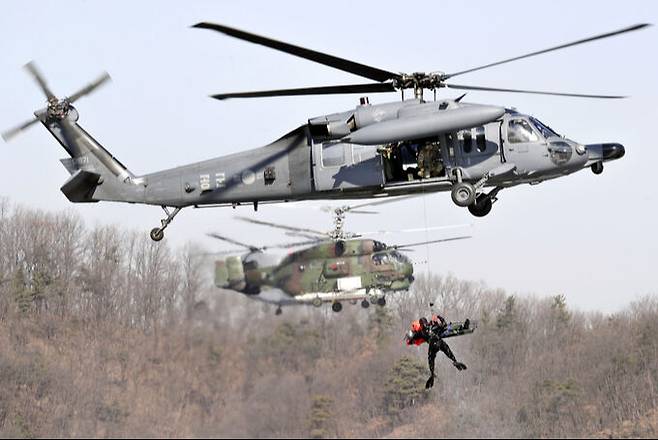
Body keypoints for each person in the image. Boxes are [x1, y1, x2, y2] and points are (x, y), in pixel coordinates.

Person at [406, 313, 468, 389]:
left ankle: (432, 374)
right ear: (426, 323)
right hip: (439, 341)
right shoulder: (432, 326)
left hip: (432, 345)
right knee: (447, 350)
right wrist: (438, 317)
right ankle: (455, 361)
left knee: (431, 359)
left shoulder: (421, 332)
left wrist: (409, 337)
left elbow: (412, 339)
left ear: (421, 325)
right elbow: (444, 324)